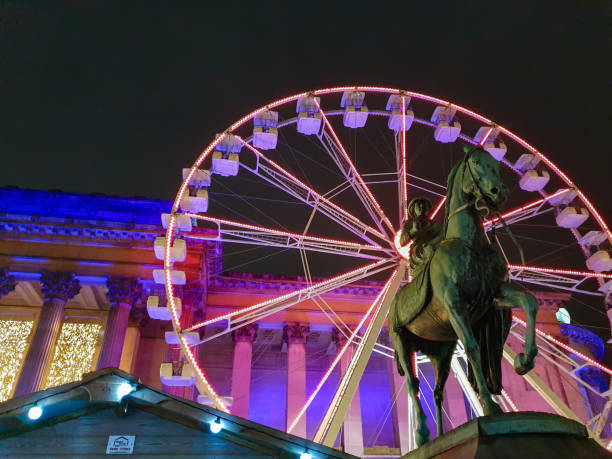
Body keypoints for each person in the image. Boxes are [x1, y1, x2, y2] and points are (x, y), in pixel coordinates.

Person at [400, 197, 441, 272]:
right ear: (413, 209)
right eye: (418, 205)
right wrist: (413, 230)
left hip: (434, 246)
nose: (422, 206)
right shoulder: (409, 223)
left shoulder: (433, 224)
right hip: (419, 250)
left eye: (424, 205)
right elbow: (402, 242)